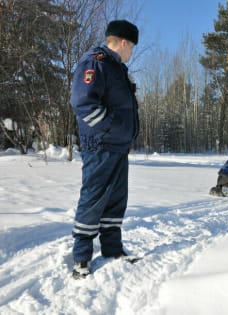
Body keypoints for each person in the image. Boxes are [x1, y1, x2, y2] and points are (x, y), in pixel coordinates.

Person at [70, 20, 139, 279]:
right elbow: (82, 102)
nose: (131, 51)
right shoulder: (96, 62)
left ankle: (112, 248)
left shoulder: (116, 68)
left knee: (115, 201)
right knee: (93, 200)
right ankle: (81, 258)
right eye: (131, 46)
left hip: (117, 147)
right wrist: (109, 127)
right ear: (123, 42)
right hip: (100, 146)